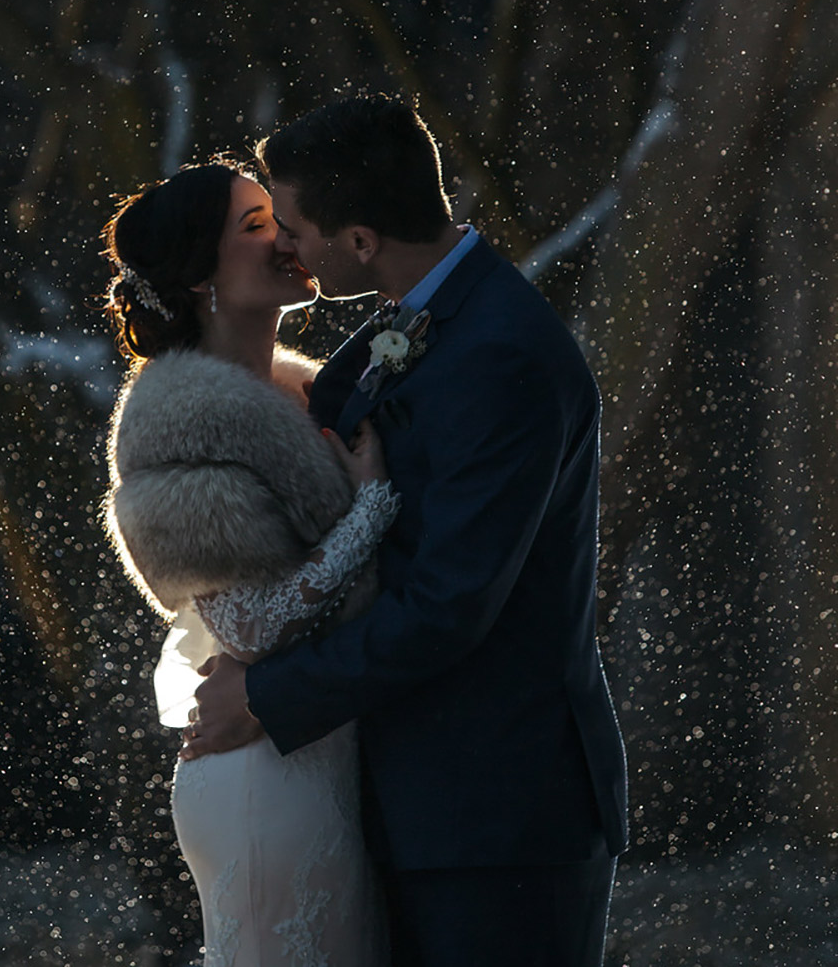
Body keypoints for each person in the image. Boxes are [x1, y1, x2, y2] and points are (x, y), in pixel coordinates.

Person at [185, 96, 629, 967]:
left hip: (496, 814)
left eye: (298, 228)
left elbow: (448, 605)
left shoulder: (501, 353)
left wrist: (269, 697)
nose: (287, 247)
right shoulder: (422, 314)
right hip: (416, 797)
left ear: (359, 241)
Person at [102, 160, 395, 966]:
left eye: (281, 219)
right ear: (201, 277)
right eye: (255, 226)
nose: (287, 238)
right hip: (264, 779)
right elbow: (250, 626)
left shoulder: (307, 399)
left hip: (325, 762)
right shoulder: (177, 424)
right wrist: (369, 512)